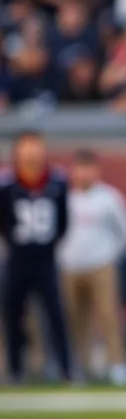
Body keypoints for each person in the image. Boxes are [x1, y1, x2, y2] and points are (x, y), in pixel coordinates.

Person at [57, 148, 126, 385]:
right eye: (79, 169)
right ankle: (76, 366)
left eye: (88, 168)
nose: (84, 174)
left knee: (109, 315)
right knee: (74, 318)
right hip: (69, 266)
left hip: (101, 265)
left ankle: (117, 364)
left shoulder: (109, 197)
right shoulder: (64, 196)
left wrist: (111, 254)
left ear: (97, 171)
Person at [0, 131, 72, 383]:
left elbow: (63, 223)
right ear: (17, 152)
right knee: (12, 315)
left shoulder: (57, 182)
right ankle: (15, 370)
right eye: (26, 148)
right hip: (17, 258)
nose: (31, 153)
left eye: (36, 147)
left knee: (56, 315)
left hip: (45, 259)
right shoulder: (7, 185)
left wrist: (49, 246)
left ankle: (66, 369)